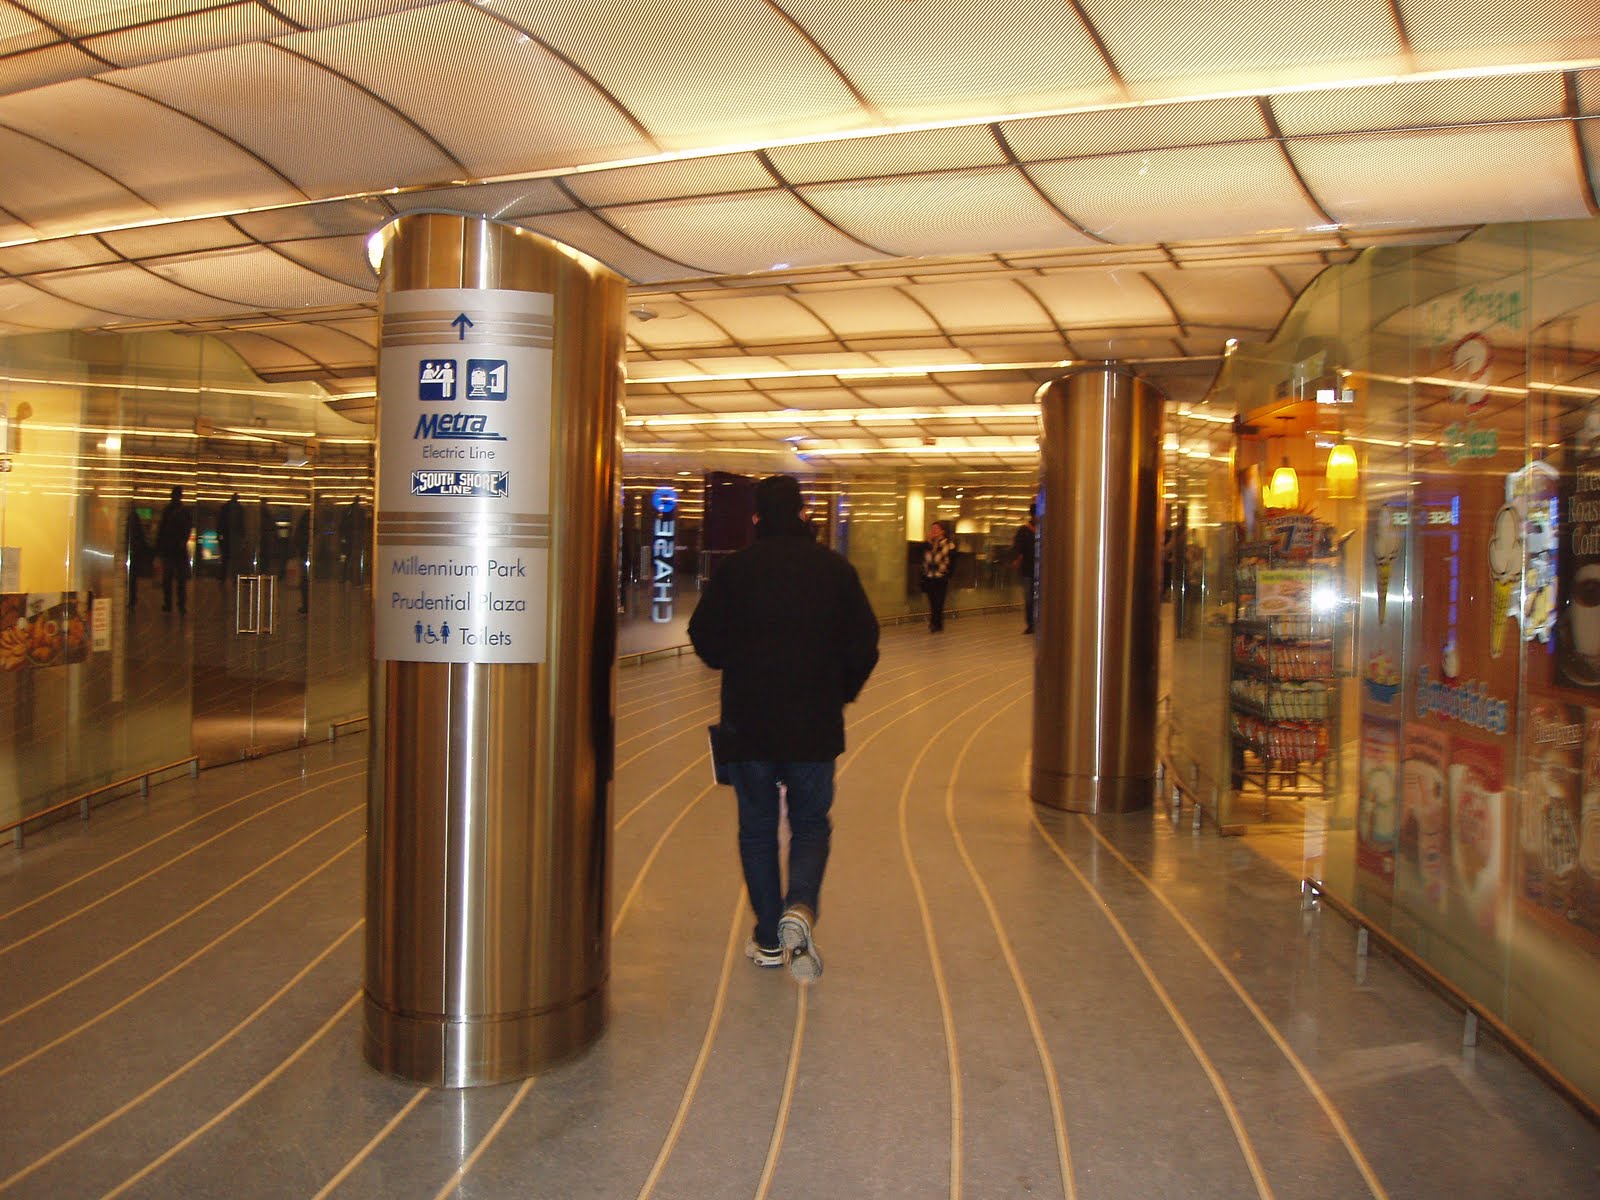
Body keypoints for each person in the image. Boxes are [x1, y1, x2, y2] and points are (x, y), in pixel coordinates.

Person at [688, 474, 879, 982]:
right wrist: (839, 690)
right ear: (802, 514)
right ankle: (800, 905)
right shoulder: (834, 569)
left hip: (749, 721)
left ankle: (770, 940)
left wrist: (736, 661)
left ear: (757, 517)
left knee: (757, 830)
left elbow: (702, 635)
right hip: (814, 723)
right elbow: (865, 642)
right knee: (811, 823)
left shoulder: (737, 569)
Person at [155, 485, 193, 615]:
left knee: (168, 579)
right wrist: (183, 540)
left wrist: (159, 547)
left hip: (169, 549)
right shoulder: (184, 512)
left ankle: (169, 603)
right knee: (180, 580)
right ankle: (180, 604)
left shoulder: (168, 510)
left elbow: (161, 530)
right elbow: (187, 528)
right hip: (178, 550)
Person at [921, 520, 954, 633]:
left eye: (936, 529)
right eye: (932, 529)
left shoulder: (948, 543)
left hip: (941, 576)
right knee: (932, 601)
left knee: (939, 601)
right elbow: (922, 557)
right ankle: (936, 623)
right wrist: (927, 542)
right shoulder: (927, 544)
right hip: (929, 576)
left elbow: (952, 559)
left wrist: (948, 573)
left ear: (942, 531)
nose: (934, 531)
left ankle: (935, 623)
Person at [1011, 506, 1037, 634]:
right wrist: (1017, 559)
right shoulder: (1024, 530)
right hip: (1028, 570)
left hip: (1040, 570)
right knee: (1029, 598)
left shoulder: (1045, 529)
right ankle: (1031, 624)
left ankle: (1038, 623)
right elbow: (1017, 548)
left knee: (1037, 598)